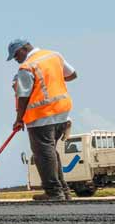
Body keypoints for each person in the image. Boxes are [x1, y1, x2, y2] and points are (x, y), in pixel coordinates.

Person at [7, 38, 78, 202]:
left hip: (42, 115)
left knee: (43, 154)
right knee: (50, 151)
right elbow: (72, 75)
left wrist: (19, 119)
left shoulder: (26, 67)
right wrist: (52, 79)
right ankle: (63, 191)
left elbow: (23, 95)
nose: (16, 59)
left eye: (16, 55)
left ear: (23, 49)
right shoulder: (54, 56)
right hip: (62, 112)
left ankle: (54, 192)